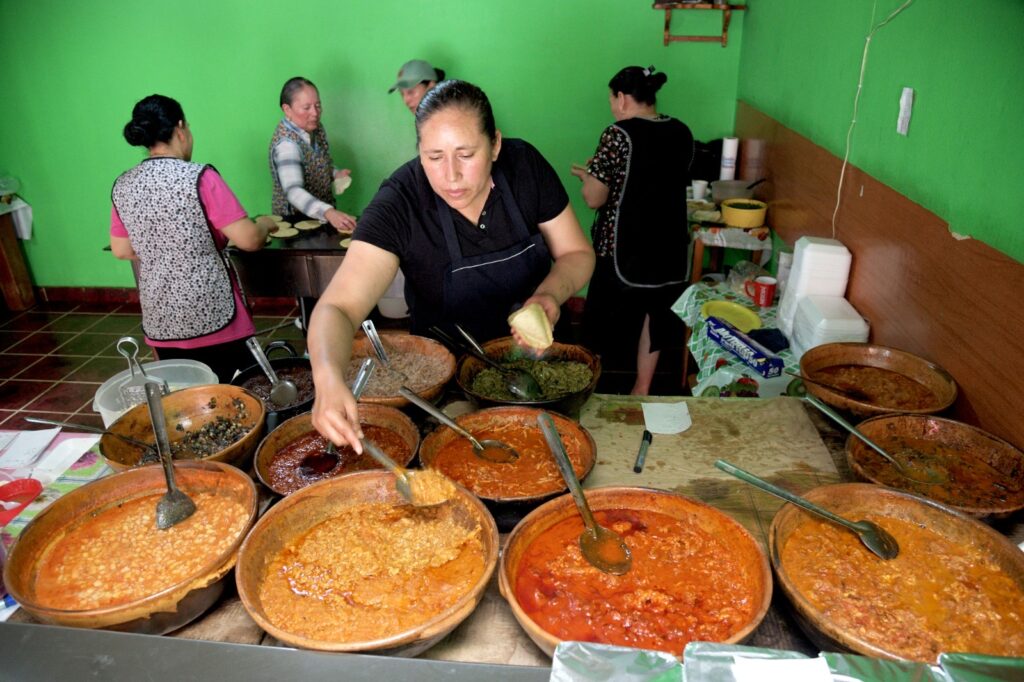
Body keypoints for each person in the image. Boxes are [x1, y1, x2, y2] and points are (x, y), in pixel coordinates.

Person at [309, 79, 595, 451]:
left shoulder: (524, 167)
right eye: (434, 157)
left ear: (495, 144)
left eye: (466, 154)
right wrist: (327, 379)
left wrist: (549, 296)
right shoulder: (401, 202)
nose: (451, 175)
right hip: (449, 396)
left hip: (544, 370)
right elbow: (338, 307)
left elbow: (577, 254)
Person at [110, 94, 273, 382]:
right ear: (181, 128)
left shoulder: (124, 184)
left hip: (162, 318)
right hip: (212, 312)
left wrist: (163, 249)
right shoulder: (199, 177)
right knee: (240, 391)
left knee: (186, 395)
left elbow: (121, 249)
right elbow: (249, 239)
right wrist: (264, 224)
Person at [571, 65, 694, 395]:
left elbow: (595, 198)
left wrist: (588, 178)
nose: (612, 107)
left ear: (623, 98)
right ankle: (642, 388)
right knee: (655, 318)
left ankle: (587, 388)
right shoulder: (681, 131)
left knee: (597, 322)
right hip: (668, 249)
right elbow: (655, 180)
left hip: (622, 249)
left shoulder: (618, 134)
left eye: (612, 100)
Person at [269, 76, 356, 233]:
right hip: (294, 220)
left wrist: (335, 173)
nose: (315, 113)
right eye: (306, 107)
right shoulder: (287, 145)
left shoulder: (315, 129)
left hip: (321, 217)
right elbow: (293, 191)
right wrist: (328, 212)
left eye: (318, 105)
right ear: (287, 110)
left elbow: (318, 162)